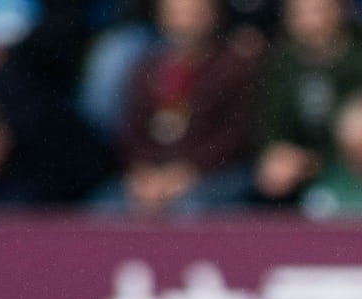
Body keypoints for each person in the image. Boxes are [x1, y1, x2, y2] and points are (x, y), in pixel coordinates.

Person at [110, 0, 260, 213]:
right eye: (176, 13)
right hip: (153, 177)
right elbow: (131, 132)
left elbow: (236, 136)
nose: (185, 22)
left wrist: (190, 171)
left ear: (213, 15)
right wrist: (142, 173)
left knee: (190, 209)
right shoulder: (144, 68)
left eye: (194, 13)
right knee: (105, 207)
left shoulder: (233, 68)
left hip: (214, 174)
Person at [253, 0, 362, 202]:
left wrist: (312, 163)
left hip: (350, 169)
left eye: (319, 11)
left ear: (340, 12)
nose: (312, 21)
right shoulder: (283, 63)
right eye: (300, 13)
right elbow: (272, 127)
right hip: (294, 167)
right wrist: (277, 154)